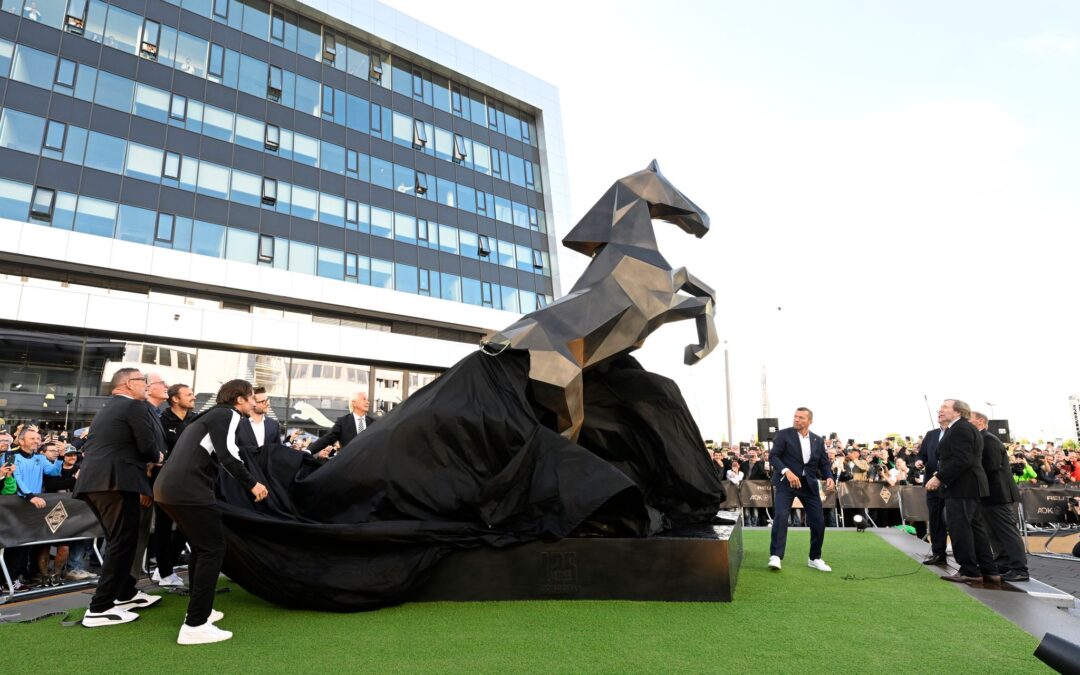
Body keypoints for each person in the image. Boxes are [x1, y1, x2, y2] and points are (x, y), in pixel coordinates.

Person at [154, 379, 269, 645]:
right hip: (187, 490)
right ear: (239, 399)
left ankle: (199, 612)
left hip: (170, 489)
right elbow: (228, 454)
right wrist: (252, 484)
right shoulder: (227, 414)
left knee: (202, 547)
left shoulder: (208, 416)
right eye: (252, 397)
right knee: (213, 549)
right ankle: (195, 624)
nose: (255, 402)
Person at [74, 369, 164, 627]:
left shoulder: (108, 408)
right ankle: (99, 608)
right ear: (128, 384)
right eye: (142, 381)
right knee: (122, 542)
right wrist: (158, 457)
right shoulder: (134, 407)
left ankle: (125, 593)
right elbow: (147, 447)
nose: (146, 386)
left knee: (121, 540)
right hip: (115, 482)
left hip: (101, 482)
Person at [926, 399, 999, 587]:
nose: (940, 410)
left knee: (960, 529)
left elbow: (963, 459)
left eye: (945, 407)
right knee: (975, 530)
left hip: (962, 487)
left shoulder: (961, 428)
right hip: (966, 486)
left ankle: (969, 571)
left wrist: (939, 477)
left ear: (958, 411)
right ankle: (988, 570)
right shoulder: (960, 428)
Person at [767, 407, 836, 572]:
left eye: (801, 417)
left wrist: (829, 476)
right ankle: (776, 556)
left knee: (819, 522)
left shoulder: (817, 441)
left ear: (809, 421)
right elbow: (773, 457)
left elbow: (824, 463)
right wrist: (787, 471)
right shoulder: (784, 434)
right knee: (781, 516)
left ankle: (814, 558)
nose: (796, 419)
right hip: (786, 483)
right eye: (795, 416)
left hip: (808, 484)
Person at [971, 411, 1028, 582]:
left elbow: (992, 466)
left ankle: (1020, 569)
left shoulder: (988, 439)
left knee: (1007, 532)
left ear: (980, 421)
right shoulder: (982, 439)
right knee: (993, 532)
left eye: (969, 419)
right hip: (989, 495)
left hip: (998, 494)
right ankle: (1003, 564)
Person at [153, 383, 195, 588]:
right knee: (163, 526)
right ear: (175, 399)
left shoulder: (195, 420)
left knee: (188, 526)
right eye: (189, 394)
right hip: (165, 482)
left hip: (190, 481)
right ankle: (165, 572)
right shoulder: (161, 421)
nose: (193, 397)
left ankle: (164, 565)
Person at [917, 413, 949, 565]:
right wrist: (919, 461)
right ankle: (938, 553)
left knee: (955, 519)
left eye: (944, 411)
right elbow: (922, 454)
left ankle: (965, 556)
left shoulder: (956, 432)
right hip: (931, 482)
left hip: (951, 482)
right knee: (935, 518)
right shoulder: (931, 434)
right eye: (939, 413)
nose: (940, 414)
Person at [307, 391, 375, 458]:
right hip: (348, 465)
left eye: (367, 400)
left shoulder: (373, 423)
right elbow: (328, 438)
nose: (367, 402)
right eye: (364, 399)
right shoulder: (343, 422)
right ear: (354, 403)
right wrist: (309, 451)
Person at [235, 386, 281, 452]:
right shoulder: (238, 424)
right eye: (263, 401)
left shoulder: (274, 425)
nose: (267, 404)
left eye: (267, 400)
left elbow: (278, 450)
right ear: (252, 403)